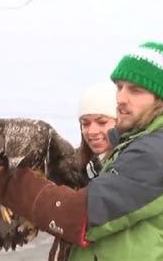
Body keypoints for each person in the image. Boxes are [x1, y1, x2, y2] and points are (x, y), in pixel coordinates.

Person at [0, 41, 163, 260]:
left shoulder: (160, 152)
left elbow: (78, 217)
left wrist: (2, 180)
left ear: (160, 99)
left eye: (135, 90)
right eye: (119, 87)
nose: (121, 98)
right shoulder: (137, 144)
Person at [49, 82, 117, 261]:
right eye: (85, 124)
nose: (92, 131)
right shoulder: (79, 168)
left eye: (102, 121)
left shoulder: (127, 168)